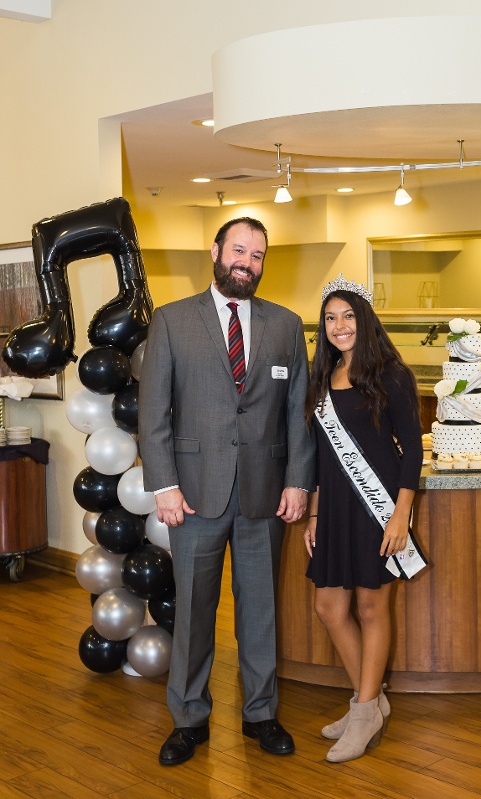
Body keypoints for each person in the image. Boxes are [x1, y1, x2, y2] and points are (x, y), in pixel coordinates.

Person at [138, 217, 315, 766]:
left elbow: (297, 415)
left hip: (266, 493)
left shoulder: (285, 325)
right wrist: (163, 484)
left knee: (259, 609)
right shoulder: (170, 322)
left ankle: (260, 713)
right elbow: (154, 414)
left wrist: (297, 481)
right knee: (193, 609)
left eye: (258, 255)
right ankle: (189, 718)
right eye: (239, 250)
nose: (247, 262)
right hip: (192, 495)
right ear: (214, 251)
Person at [303, 274, 423, 763]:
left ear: (364, 319)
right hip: (332, 508)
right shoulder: (322, 377)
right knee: (329, 609)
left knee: (372, 610)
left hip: (378, 509)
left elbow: (412, 450)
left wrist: (400, 516)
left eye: (348, 315)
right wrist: (312, 512)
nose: (339, 326)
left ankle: (365, 707)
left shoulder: (391, 374)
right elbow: (317, 453)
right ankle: (369, 705)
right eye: (331, 318)